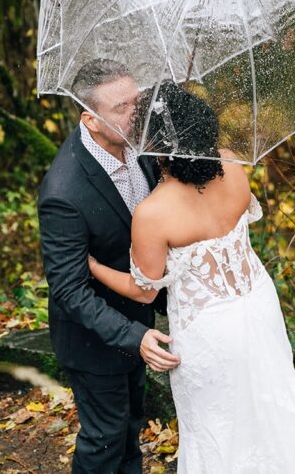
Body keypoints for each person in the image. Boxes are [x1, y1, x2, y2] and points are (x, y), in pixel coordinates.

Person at [88, 80, 295, 473]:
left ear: (154, 143)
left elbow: (144, 291)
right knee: (276, 404)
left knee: (218, 429)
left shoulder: (153, 213)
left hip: (208, 330)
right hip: (258, 305)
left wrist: (95, 268)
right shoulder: (232, 163)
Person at [38, 59, 180, 474]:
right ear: (90, 119)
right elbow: (69, 290)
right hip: (95, 342)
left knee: (130, 429)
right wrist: (133, 336)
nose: (135, 113)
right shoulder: (64, 192)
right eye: (122, 108)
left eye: (136, 102)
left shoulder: (140, 144)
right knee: (104, 442)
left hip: (140, 320)